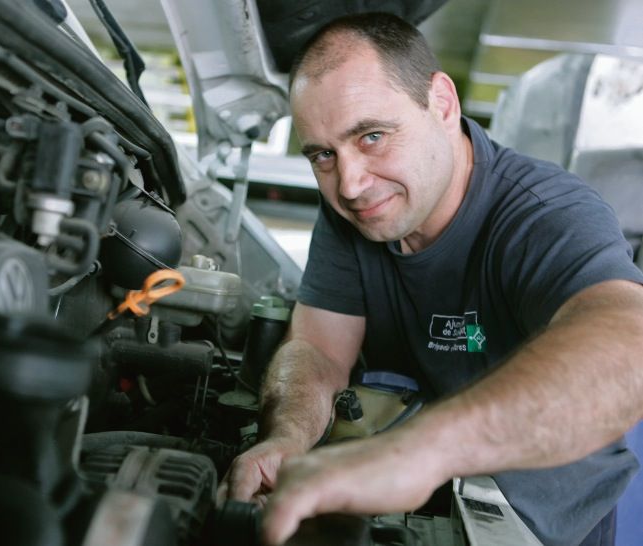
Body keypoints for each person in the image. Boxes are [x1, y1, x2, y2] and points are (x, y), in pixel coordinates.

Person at [217, 12, 643, 546]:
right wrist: (287, 438)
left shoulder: (544, 214)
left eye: (371, 136)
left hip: (534, 521)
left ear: (441, 104)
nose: (349, 184)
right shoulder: (356, 212)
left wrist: (420, 451)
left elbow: (628, 348)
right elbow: (320, 347)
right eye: (324, 155)